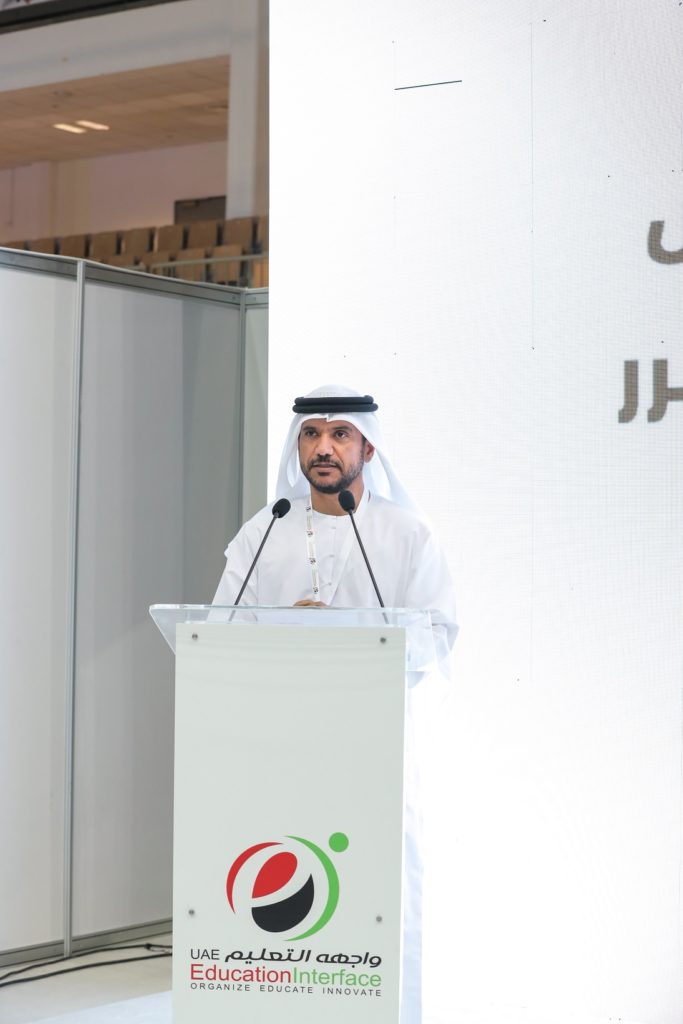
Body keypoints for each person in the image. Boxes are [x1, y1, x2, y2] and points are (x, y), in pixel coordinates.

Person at [212, 384, 457, 670]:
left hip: (372, 696)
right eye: (311, 434)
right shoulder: (262, 532)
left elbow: (437, 637)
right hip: (280, 694)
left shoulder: (409, 534)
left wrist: (351, 641)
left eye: (340, 434)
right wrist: (283, 635)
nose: (323, 449)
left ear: (368, 449)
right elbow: (222, 633)